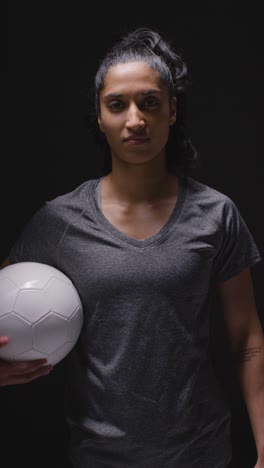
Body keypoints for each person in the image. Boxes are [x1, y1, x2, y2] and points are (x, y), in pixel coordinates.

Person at [0, 27, 263, 468]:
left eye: (150, 102)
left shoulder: (216, 214)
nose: (135, 119)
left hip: (201, 453)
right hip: (99, 456)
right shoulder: (60, 221)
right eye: (117, 105)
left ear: (172, 111)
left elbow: (247, 339)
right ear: (100, 117)